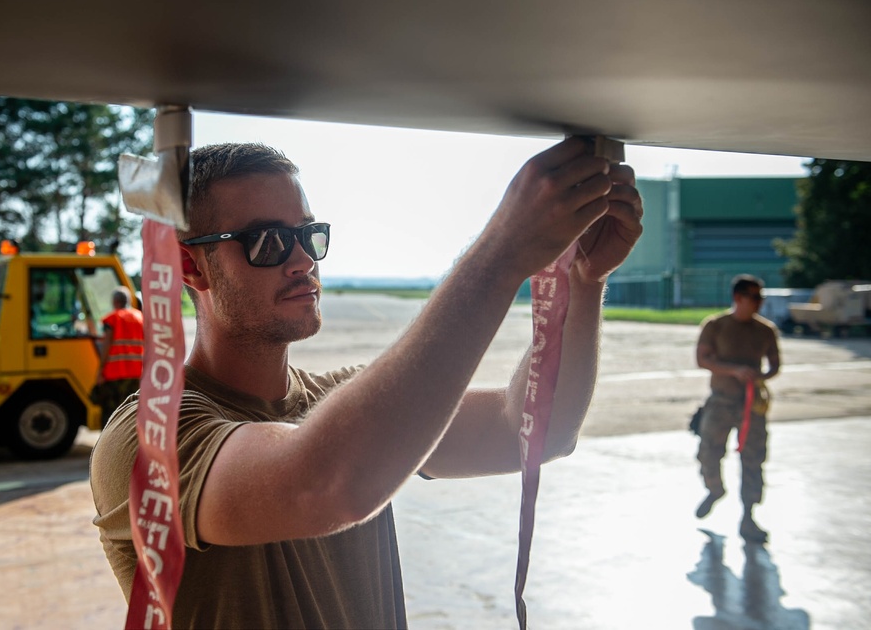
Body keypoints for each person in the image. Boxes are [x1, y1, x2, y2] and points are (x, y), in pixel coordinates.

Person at [90, 137, 643, 628]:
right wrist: (503, 252)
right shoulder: (149, 440)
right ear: (191, 269)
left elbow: (530, 430)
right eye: (267, 242)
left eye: (309, 235)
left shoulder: (341, 407)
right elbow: (326, 483)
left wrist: (581, 279)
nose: (303, 260)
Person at [694, 274, 781, 543]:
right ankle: (715, 489)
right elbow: (702, 359)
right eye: (754, 297)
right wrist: (734, 370)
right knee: (708, 452)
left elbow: (775, 365)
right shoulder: (716, 325)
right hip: (720, 402)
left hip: (751, 406)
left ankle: (748, 517)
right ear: (738, 298)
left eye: (761, 297)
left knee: (753, 461)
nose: (759, 303)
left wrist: (759, 377)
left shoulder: (766, 330)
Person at [92, 286, 144, 427]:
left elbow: (106, 345)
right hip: (137, 375)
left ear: (115, 302)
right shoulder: (141, 318)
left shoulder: (112, 319)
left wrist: (100, 371)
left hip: (114, 375)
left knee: (112, 414)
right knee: (132, 413)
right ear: (128, 301)